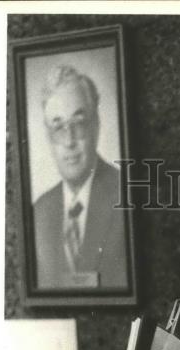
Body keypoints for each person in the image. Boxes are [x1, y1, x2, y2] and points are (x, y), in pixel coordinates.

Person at [33, 65, 128, 290]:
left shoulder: (129, 196)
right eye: (58, 127)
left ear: (96, 125)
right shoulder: (38, 213)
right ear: (48, 137)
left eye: (79, 124)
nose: (69, 141)